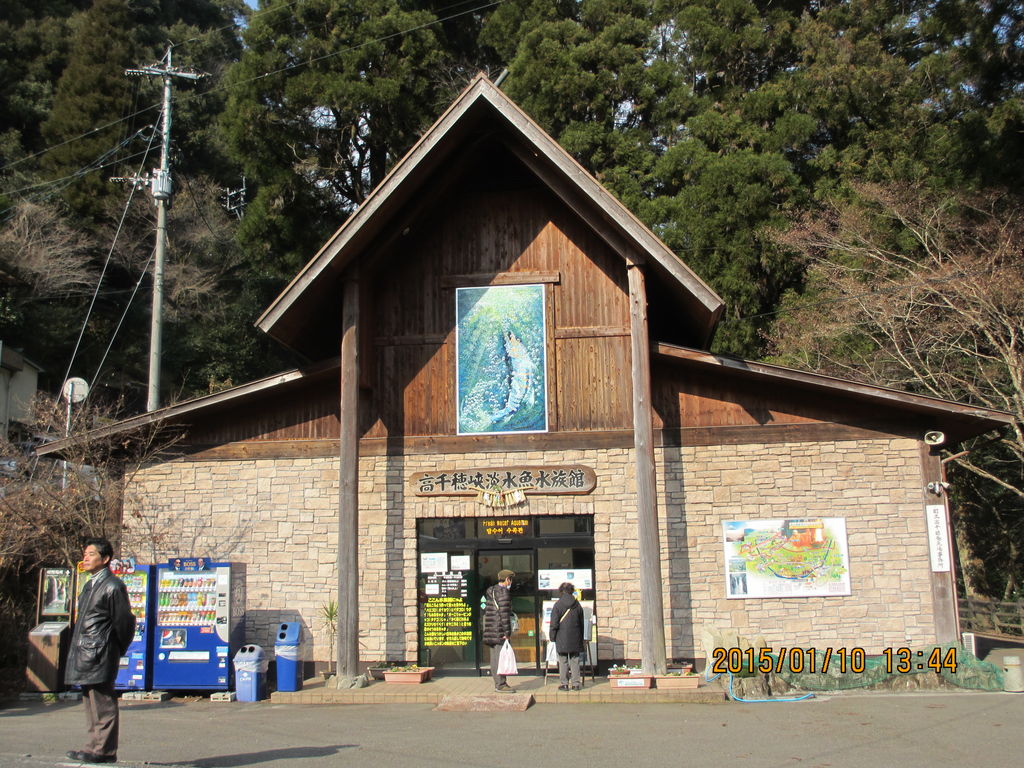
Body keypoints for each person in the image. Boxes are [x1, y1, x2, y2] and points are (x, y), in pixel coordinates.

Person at [65, 538, 137, 764]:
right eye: (85, 553)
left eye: (91, 554)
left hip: (101, 652)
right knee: (91, 701)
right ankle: (93, 747)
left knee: (103, 703)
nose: (85, 558)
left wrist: (115, 648)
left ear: (105, 559)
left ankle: (104, 751)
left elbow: (124, 622)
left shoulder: (113, 586)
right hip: (86, 651)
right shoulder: (90, 584)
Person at [548, 581, 585, 691]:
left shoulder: (558, 605)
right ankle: (576, 684)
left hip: (561, 637)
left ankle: (564, 684)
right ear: (572, 591)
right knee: (575, 660)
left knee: (563, 660)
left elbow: (554, 623)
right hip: (576, 637)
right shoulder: (577, 605)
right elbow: (581, 623)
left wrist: (552, 637)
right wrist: (581, 638)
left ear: (561, 591)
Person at [482, 569, 515, 692]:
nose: (510, 582)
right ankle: (501, 684)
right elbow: (504, 615)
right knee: (501, 657)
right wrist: (507, 633)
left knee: (494, 658)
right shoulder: (504, 593)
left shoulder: (491, 591)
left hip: (490, 629)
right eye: (510, 579)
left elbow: (486, 607)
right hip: (499, 630)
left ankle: (497, 683)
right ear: (507, 579)